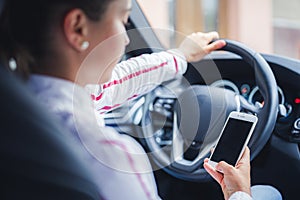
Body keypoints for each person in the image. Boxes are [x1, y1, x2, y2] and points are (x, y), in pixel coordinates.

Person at [0, 0, 282, 199]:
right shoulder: (111, 156)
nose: (125, 39)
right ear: (77, 28)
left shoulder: (19, 108)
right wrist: (238, 195)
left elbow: (114, 83)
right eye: (123, 20)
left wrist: (179, 57)